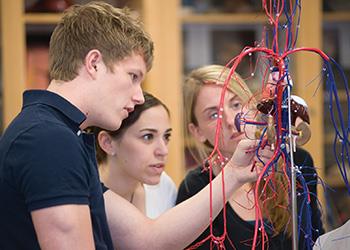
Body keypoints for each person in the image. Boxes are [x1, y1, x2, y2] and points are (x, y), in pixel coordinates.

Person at [0, 2, 264, 249]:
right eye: (133, 76)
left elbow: (146, 239)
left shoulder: (58, 133)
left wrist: (233, 174)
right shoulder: (49, 139)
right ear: (94, 63)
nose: (139, 96)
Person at [176, 65, 324, 249]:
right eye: (214, 115)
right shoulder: (195, 188)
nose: (232, 121)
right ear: (197, 131)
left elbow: (317, 240)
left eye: (236, 104)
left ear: (253, 107)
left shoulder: (296, 162)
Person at [91, 92, 177, 219]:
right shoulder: (83, 198)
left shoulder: (164, 186)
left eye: (166, 136)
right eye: (148, 136)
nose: (163, 151)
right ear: (108, 143)